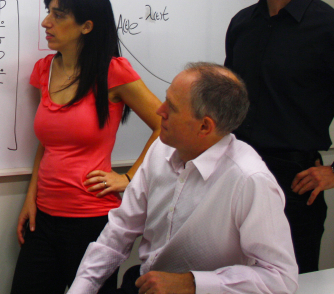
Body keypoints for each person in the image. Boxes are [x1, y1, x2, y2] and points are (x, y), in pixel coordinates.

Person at [68, 63, 298, 294]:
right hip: (146, 282)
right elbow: (119, 231)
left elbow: (281, 278)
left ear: (205, 126)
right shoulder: (161, 149)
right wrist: (82, 288)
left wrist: (194, 283)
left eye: (172, 108)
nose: (160, 111)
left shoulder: (249, 179)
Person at [10, 0, 162, 294]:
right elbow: (48, 143)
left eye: (59, 15)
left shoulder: (114, 72)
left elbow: (167, 126)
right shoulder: (45, 70)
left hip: (91, 220)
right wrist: (30, 198)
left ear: (86, 26)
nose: (46, 23)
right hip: (44, 216)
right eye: (48, 13)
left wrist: (129, 178)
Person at [225, 0, 334, 273]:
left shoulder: (327, 29)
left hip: (294, 186)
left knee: (289, 283)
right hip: (234, 178)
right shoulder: (242, 24)